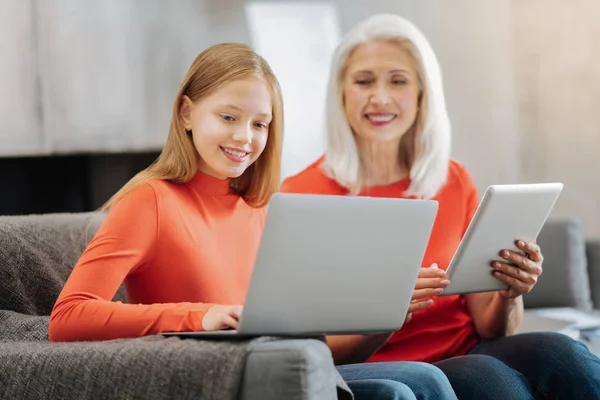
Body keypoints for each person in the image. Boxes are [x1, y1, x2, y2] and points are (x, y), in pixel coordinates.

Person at [48, 42, 457, 400]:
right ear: (187, 113)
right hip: (212, 379)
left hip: (281, 371)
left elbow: (313, 352)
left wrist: (386, 314)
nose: (245, 137)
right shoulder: (150, 200)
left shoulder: (261, 210)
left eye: (259, 124)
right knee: (408, 384)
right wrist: (200, 317)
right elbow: (68, 317)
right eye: (228, 117)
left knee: (422, 380)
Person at [280, 13, 600, 400]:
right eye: (364, 81)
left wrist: (509, 291)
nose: (380, 97)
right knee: (487, 376)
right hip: (385, 367)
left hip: (468, 347)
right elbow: (314, 350)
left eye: (398, 81)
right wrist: (387, 310)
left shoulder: (452, 180)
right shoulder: (303, 193)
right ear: (342, 93)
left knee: (564, 353)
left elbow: (491, 327)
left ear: (420, 95)